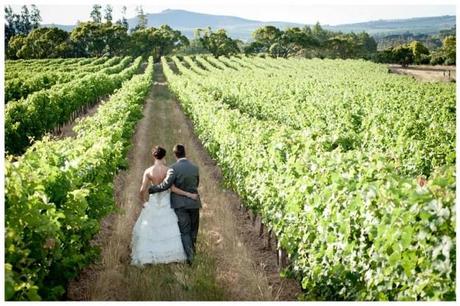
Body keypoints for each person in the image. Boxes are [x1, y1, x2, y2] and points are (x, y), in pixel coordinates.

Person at [131, 145, 197, 266]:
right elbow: (172, 188)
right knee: (170, 226)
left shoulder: (148, 171)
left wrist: (142, 202)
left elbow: (142, 190)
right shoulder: (168, 170)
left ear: (153, 156)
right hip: (166, 201)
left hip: (154, 201)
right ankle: (172, 254)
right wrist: (188, 194)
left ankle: (150, 255)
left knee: (151, 227)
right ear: (164, 156)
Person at [149, 144, 201, 265]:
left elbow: (166, 185)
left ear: (175, 155)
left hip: (180, 205)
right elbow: (196, 184)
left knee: (185, 231)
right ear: (185, 152)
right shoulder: (195, 168)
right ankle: (192, 252)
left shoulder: (173, 168)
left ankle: (191, 258)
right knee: (194, 230)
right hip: (194, 203)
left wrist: (153, 189)